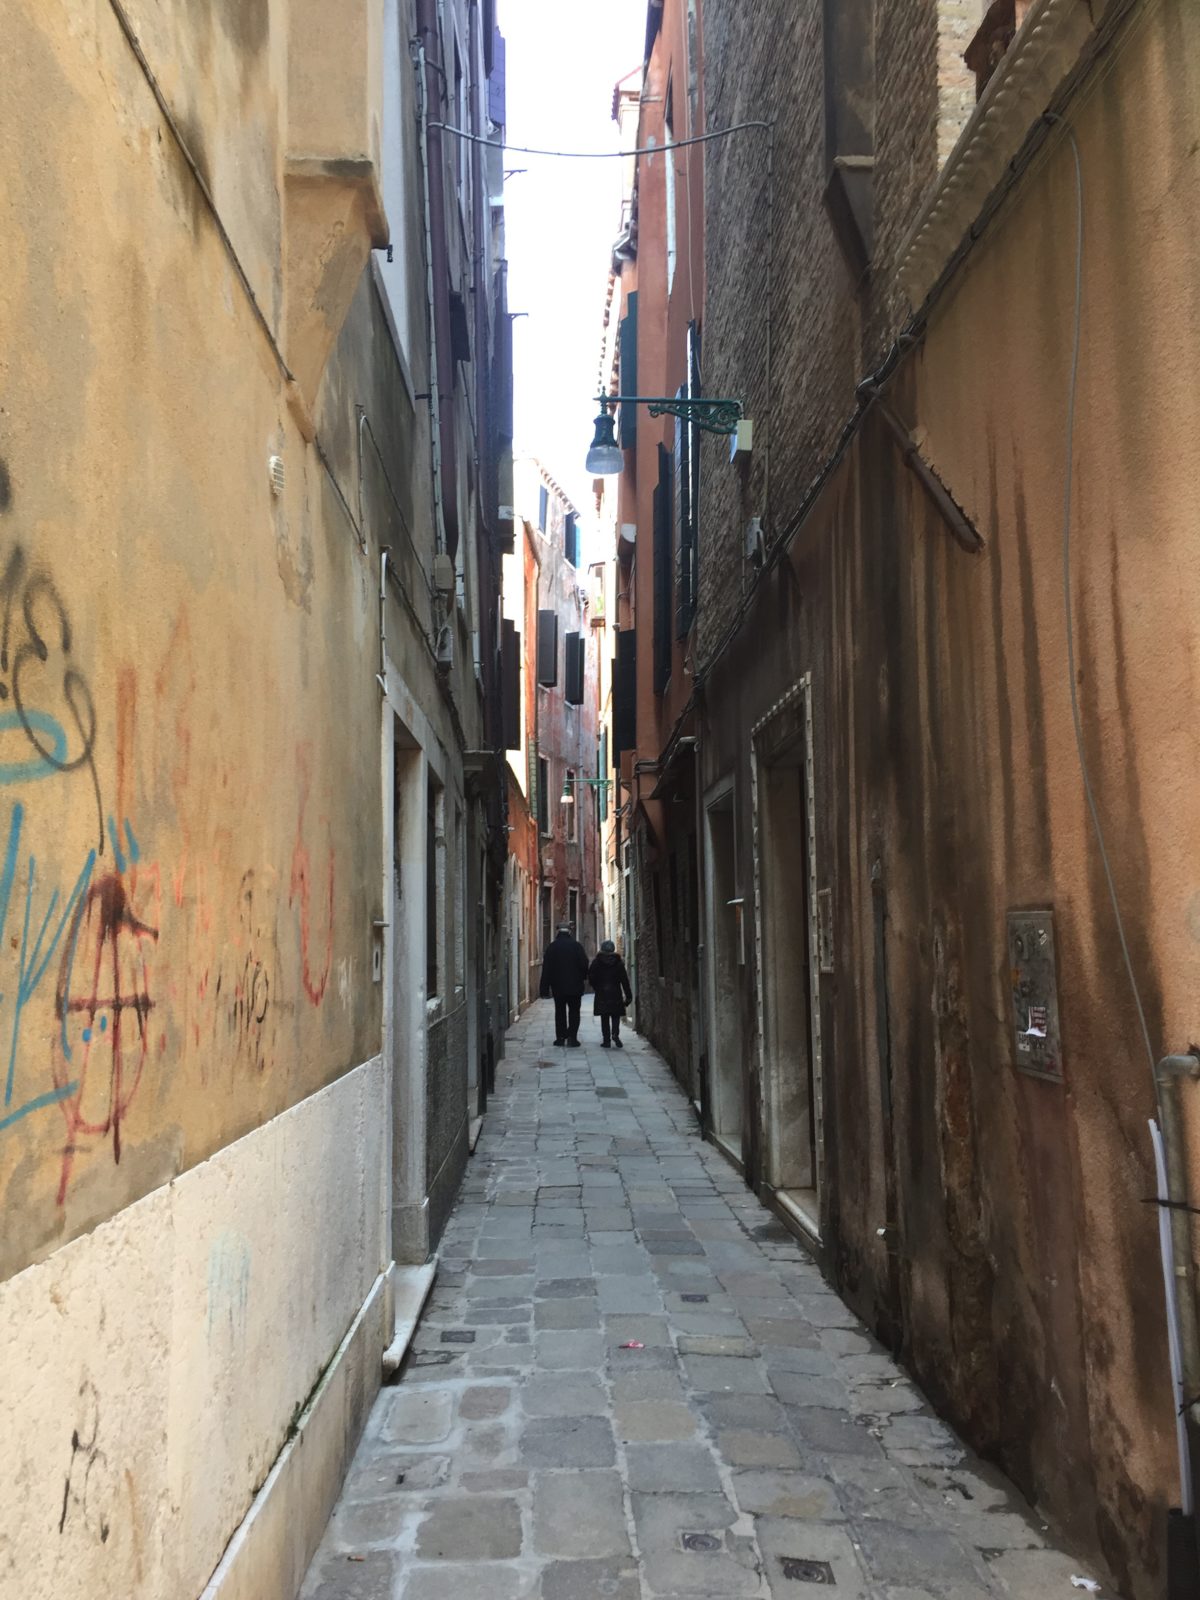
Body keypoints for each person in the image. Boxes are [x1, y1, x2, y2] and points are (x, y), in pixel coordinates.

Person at [539, 922, 589, 1047]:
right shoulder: (577, 946)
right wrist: (582, 978)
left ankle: (560, 1038)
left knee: (560, 1012)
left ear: (558, 932)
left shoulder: (552, 947)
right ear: (569, 932)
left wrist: (544, 989)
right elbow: (584, 964)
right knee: (574, 1012)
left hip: (558, 987)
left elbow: (547, 969)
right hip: (575, 986)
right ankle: (572, 1038)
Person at [587, 939, 633, 1048]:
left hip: (602, 992)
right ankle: (615, 1034)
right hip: (615, 992)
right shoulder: (618, 963)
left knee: (605, 1017)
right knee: (615, 1015)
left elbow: (591, 977)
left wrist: (596, 987)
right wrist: (628, 996)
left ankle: (606, 1040)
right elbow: (624, 980)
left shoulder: (596, 962)